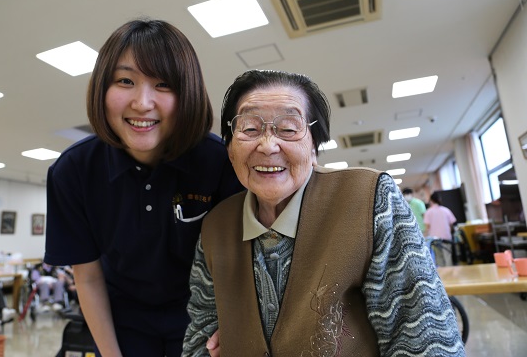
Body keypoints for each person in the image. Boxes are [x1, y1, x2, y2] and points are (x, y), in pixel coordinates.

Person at [183, 70, 465, 356]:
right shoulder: (216, 226)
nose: (268, 145)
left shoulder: (370, 200)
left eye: (289, 129)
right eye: (250, 129)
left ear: (314, 147)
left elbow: (425, 336)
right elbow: (200, 330)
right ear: (230, 149)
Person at [44, 18, 243, 357]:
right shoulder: (73, 171)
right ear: (101, 89)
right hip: (120, 319)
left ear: (187, 93)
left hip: (203, 313)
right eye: (125, 81)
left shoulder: (220, 161)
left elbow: (240, 262)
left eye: (163, 84)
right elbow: (88, 278)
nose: (142, 102)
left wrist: (231, 326)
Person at [425, 193, 457, 266]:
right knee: (448, 257)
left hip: (434, 239)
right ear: (439, 200)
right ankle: (451, 275)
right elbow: (452, 223)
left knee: (439, 258)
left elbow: (427, 226)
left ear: (431, 200)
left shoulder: (428, 212)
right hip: (446, 237)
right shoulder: (446, 210)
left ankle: (443, 276)